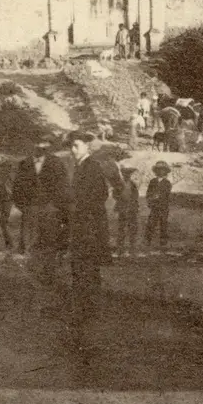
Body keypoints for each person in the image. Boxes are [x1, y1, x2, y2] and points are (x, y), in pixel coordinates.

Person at [67, 131, 110, 324]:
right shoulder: (79, 167)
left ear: (87, 146)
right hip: (81, 225)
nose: (73, 150)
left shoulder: (92, 167)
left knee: (87, 267)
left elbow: (100, 195)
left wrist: (78, 207)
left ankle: (88, 312)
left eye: (76, 146)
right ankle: (83, 310)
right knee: (80, 267)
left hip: (90, 226)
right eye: (71, 146)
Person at [12, 136, 70, 274]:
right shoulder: (24, 164)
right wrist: (25, 207)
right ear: (31, 145)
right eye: (37, 143)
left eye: (44, 143)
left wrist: (57, 208)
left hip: (51, 211)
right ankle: (32, 275)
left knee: (49, 243)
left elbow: (63, 187)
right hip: (30, 211)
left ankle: (49, 274)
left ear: (49, 145)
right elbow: (17, 189)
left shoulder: (56, 163)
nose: (40, 146)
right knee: (30, 244)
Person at [114, 165, 140, 256]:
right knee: (121, 229)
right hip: (122, 208)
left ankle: (132, 248)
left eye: (129, 174)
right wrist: (120, 198)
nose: (127, 175)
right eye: (125, 173)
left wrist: (133, 204)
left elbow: (136, 196)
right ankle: (120, 249)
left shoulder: (133, 184)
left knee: (132, 229)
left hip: (131, 209)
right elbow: (115, 195)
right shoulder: (119, 184)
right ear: (122, 174)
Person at [145, 160, 172, 248]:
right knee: (151, 223)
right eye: (158, 169)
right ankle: (147, 241)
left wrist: (159, 197)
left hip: (163, 207)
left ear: (165, 171)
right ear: (156, 171)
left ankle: (163, 242)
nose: (160, 171)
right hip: (154, 207)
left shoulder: (167, 183)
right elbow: (148, 193)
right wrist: (150, 200)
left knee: (163, 224)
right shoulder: (152, 181)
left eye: (162, 170)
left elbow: (166, 195)